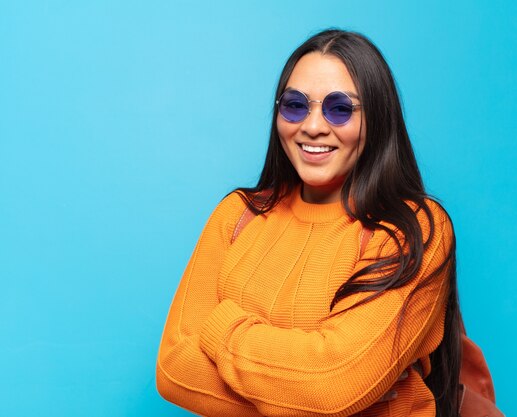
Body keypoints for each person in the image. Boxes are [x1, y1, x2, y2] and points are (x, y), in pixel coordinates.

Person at [156, 29, 461, 417]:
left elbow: (334, 386)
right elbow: (174, 370)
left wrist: (221, 328)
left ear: (378, 118)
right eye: (296, 105)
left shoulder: (411, 230)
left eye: (339, 109)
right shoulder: (238, 215)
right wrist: (305, 395)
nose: (313, 126)